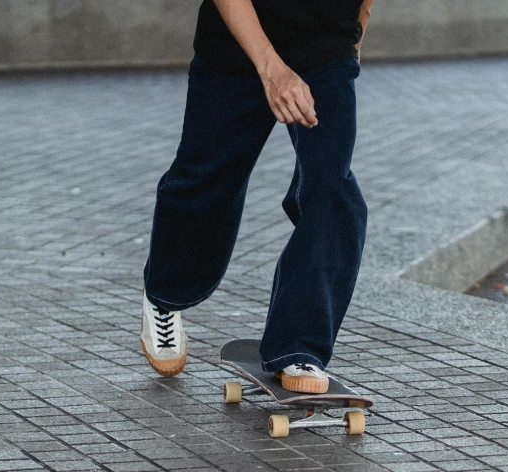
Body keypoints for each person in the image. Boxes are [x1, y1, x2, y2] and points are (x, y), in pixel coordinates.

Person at [140, 0, 373, 394]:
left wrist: (352, 44)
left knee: (332, 189)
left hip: (325, 51)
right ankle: (165, 295)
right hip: (235, 47)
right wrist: (271, 69)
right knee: (205, 183)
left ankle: (299, 347)